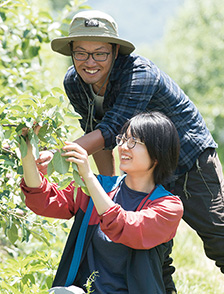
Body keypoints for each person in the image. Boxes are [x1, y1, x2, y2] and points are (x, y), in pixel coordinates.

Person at [36, 9, 224, 282]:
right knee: (152, 254)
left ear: (114, 52)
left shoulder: (139, 73)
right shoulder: (74, 83)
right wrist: (107, 185)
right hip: (141, 171)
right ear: (72, 53)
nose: (90, 62)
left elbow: (111, 129)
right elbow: (95, 133)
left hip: (189, 162)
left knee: (218, 238)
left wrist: (58, 155)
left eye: (99, 53)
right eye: (81, 53)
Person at [20, 111, 184, 294]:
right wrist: (27, 153)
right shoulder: (100, 187)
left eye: (134, 142)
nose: (123, 147)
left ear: (157, 154)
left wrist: (88, 177)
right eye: (122, 139)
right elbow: (43, 200)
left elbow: (126, 226)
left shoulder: (168, 206)